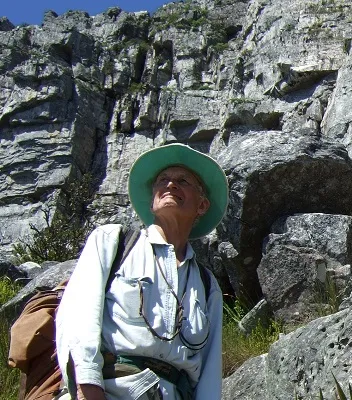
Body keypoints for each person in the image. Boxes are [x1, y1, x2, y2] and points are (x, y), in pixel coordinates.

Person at [55, 143, 228, 400]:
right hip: (110, 391)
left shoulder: (206, 283)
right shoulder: (113, 241)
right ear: (152, 201)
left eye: (183, 181)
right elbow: (79, 316)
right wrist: (88, 387)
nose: (170, 185)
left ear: (201, 205)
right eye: (163, 180)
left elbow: (210, 370)